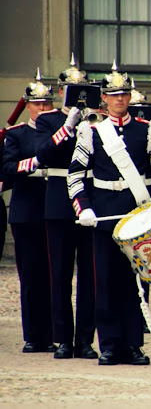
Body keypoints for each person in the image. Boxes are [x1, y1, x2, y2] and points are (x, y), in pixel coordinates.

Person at [68, 61, 151, 365]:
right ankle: (110, 344)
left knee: (136, 282)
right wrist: (83, 207)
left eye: (124, 94)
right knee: (106, 281)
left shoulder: (146, 129)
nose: (120, 99)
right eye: (114, 95)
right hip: (103, 214)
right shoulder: (92, 131)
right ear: (104, 99)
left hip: (136, 215)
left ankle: (133, 344)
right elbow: (74, 176)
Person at [34, 56, 97, 359]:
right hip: (59, 199)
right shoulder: (48, 120)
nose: (77, 94)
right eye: (72, 89)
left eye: (82, 89)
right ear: (61, 92)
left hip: (90, 198)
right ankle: (63, 339)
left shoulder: (97, 121)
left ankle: (85, 338)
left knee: (89, 274)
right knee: (59, 274)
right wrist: (68, 126)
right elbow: (43, 154)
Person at [4, 69, 56, 354]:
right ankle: (34, 335)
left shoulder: (61, 133)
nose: (43, 108)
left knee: (54, 274)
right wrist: (35, 162)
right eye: (37, 104)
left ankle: (53, 332)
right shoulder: (18, 135)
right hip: (27, 210)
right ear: (28, 106)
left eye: (47, 103)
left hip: (53, 207)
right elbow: (8, 169)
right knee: (31, 276)